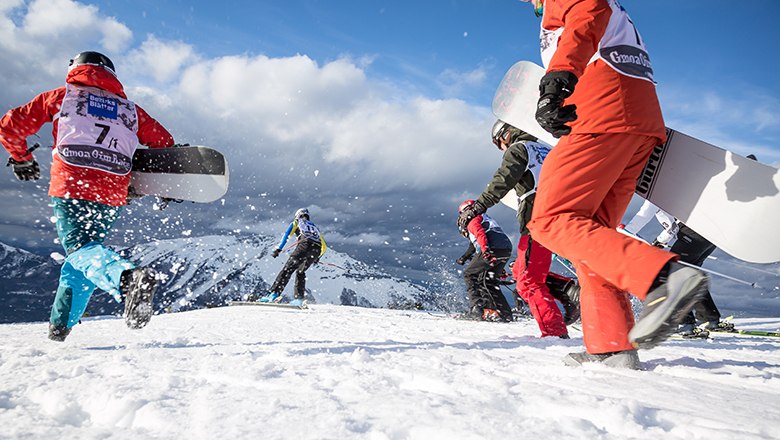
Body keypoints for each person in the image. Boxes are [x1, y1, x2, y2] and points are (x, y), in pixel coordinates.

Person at [516, 0, 708, 369]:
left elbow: (589, 12)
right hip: (636, 121)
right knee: (592, 234)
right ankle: (612, 345)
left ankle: (664, 278)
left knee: (551, 218)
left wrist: (557, 82)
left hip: (604, 112)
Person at [0, 51, 175, 341]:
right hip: (113, 191)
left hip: (73, 183)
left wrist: (21, 158)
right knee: (84, 255)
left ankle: (127, 279)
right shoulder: (131, 110)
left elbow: (10, 126)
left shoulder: (62, 97)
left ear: (76, 69)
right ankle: (60, 327)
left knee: (81, 250)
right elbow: (163, 142)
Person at [457, 121, 569, 337]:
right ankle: (568, 291)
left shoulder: (520, 148)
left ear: (506, 135)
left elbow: (502, 180)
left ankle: (554, 331)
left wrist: (478, 207)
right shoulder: (547, 150)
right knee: (520, 272)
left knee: (528, 281)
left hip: (538, 219)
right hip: (562, 215)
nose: (502, 149)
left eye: (499, 144)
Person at [623, 200, 734, 336]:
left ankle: (685, 323)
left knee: (674, 277)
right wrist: (659, 241)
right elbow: (672, 228)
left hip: (693, 235)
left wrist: (623, 233)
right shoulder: (669, 193)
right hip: (707, 236)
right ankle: (710, 319)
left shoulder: (655, 194)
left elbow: (644, 215)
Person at [456, 200, 514, 322]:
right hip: (505, 249)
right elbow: (474, 245)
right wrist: (464, 258)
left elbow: (480, 233)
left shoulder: (472, 220)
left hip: (491, 248)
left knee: (470, 274)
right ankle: (504, 313)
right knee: (489, 281)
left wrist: (486, 251)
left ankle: (478, 309)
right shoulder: (486, 219)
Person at [257, 208, 326, 307]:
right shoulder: (315, 227)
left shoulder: (296, 223)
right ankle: (299, 299)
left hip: (304, 246)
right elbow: (324, 246)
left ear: (297, 216)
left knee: (287, 270)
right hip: (316, 250)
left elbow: (286, 236)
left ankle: (273, 294)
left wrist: (278, 249)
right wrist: (317, 257)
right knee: (300, 272)